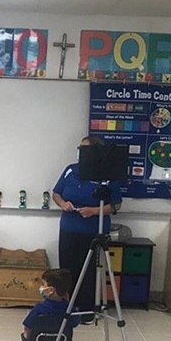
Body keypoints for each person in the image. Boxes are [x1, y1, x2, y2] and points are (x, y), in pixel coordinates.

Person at [52, 136, 123, 320]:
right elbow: (56, 194)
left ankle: (87, 311)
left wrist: (94, 211)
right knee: (67, 269)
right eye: (79, 148)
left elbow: (116, 205)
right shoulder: (71, 170)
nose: (80, 152)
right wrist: (63, 204)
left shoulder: (107, 176)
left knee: (90, 271)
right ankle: (67, 308)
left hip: (94, 231)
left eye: (84, 149)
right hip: (69, 228)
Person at [21, 269, 76, 340]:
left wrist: (28, 340)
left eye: (43, 284)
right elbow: (75, 323)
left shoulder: (39, 308)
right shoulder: (70, 309)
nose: (41, 287)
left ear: (51, 290)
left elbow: (27, 327)